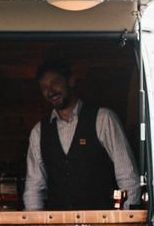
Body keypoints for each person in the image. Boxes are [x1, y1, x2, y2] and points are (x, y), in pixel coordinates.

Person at [24, 58, 140, 211]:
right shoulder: (39, 132)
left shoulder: (103, 119)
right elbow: (34, 188)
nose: (50, 91)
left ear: (70, 81)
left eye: (55, 82)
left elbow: (128, 178)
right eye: (44, 87)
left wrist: (127, 221)